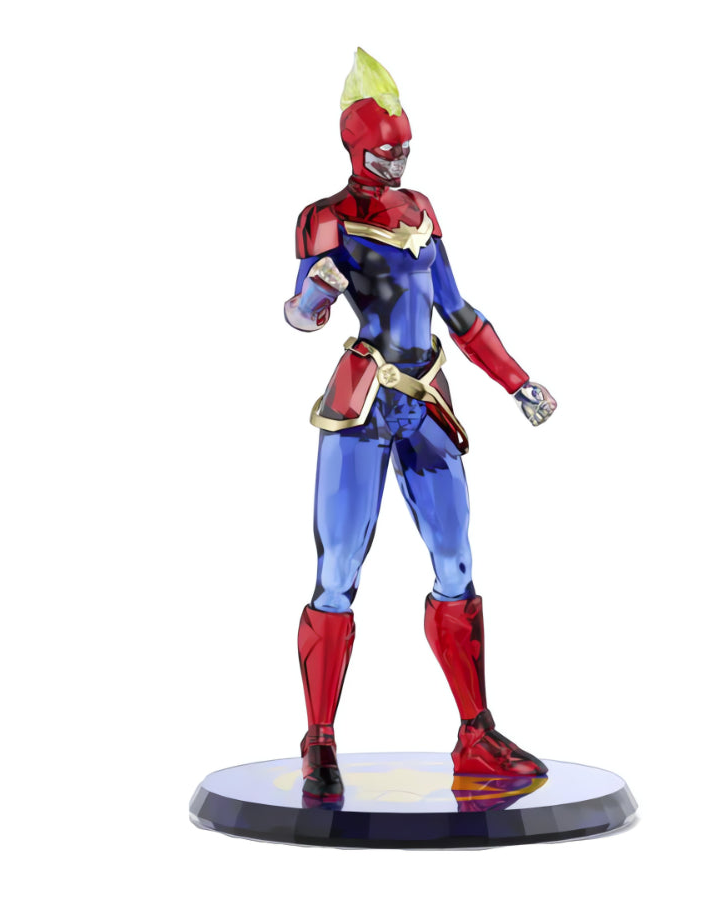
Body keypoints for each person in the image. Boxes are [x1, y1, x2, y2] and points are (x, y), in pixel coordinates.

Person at [285, 48, 557, 799]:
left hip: (425, 405)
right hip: (360, 406)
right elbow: (300, 315)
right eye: (385, 150)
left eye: (404, 148)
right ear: (355, 146)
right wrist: (317, 293)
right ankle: (319, 740)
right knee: (337, 574)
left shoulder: (420, 210)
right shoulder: (325, 218)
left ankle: (475, 734)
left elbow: (458, 312)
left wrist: (518, 381)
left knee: (457, 565)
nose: (397, 161)